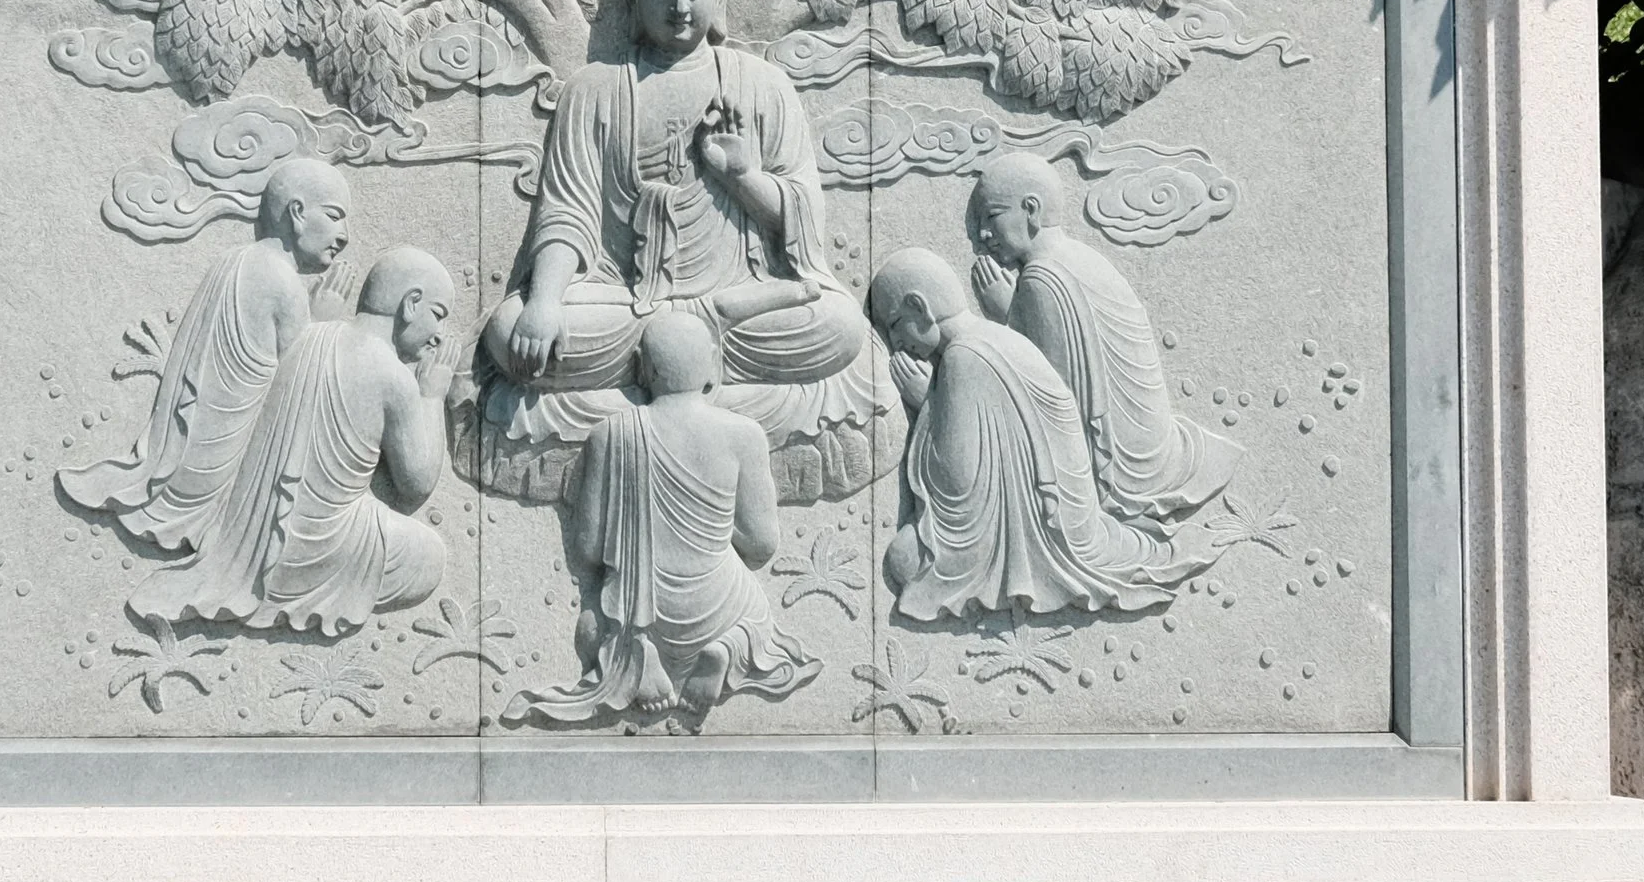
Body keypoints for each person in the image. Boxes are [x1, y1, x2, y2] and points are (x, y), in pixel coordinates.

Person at [480, 0, 868, 401]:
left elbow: (801, 218)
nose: (680, 8)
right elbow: (567, 217)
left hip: (738, 289)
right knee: (510, 329)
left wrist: (744, 177)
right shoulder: (593, 89)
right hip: (624, 300)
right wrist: (546, 302)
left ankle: (675, 352)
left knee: (838, 325)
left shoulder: (763, 86)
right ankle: (692, 344)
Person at [501, 312, 819, 723]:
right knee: (757, 621)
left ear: (643, 367)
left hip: (639, 608)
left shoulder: (611, 434)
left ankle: (636, 655)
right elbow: (761, 545)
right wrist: (719, 529)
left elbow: (587, 549)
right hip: (722, 603)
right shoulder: (743, 434)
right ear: (711, 365)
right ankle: (727, 648)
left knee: (592, 627)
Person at [126, 246, 458, 634]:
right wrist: (432, 397)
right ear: (411, 303)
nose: (438, 337)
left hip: (252, 534)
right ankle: (301, 584)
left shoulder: (310, 335)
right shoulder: (393, 376)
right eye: (438, 316)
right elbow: (416, 484)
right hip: (320, 539)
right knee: (429, 557)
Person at [868, 249, 1196, 622]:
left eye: (894, 325)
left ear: (919, 307)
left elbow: (958, 481)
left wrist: (924, 403)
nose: (896, 344)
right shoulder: (992, 337)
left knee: (905, 559)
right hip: (1059, 513)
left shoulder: (965, 356)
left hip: (1049, 530)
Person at [59, 156, 356, 549]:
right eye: (335, 216)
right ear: (297, 213)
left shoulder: (233, 260)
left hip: (179, 452)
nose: (345, 235)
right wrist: (322, 324)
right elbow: (299, 393)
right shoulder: (282, 281)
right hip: (211, 473)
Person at [967, 153, 1238, 520]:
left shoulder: (1042, 278)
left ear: (1031, 209)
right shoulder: (1078, 257)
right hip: (1154, 441)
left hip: (1128, 469)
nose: (983, 235)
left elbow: (1053, 396)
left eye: (991, 217)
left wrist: (1005, 315)